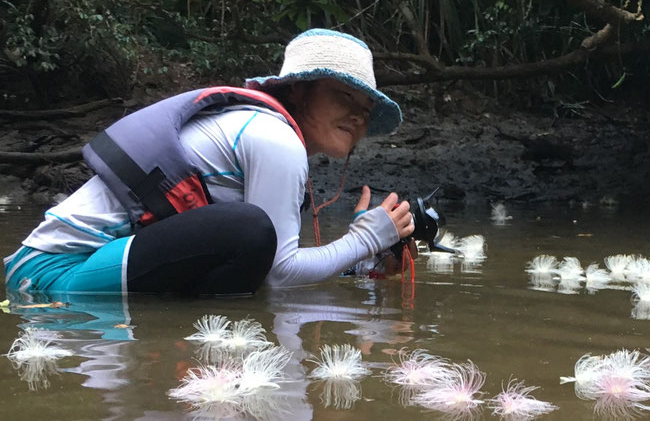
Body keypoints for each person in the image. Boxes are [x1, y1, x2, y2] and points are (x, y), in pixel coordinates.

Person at [3, 29, 414, 295]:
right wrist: (365, 238)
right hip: (48, 276)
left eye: (365, 108)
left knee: (249, 242)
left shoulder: (268, 133)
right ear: (302, 91)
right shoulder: (275, 139)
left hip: (67, 271)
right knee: (248, 230)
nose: (359, 116)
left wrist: (360, 262)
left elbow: (262, 276)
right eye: (344, 96)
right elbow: (279, 274)